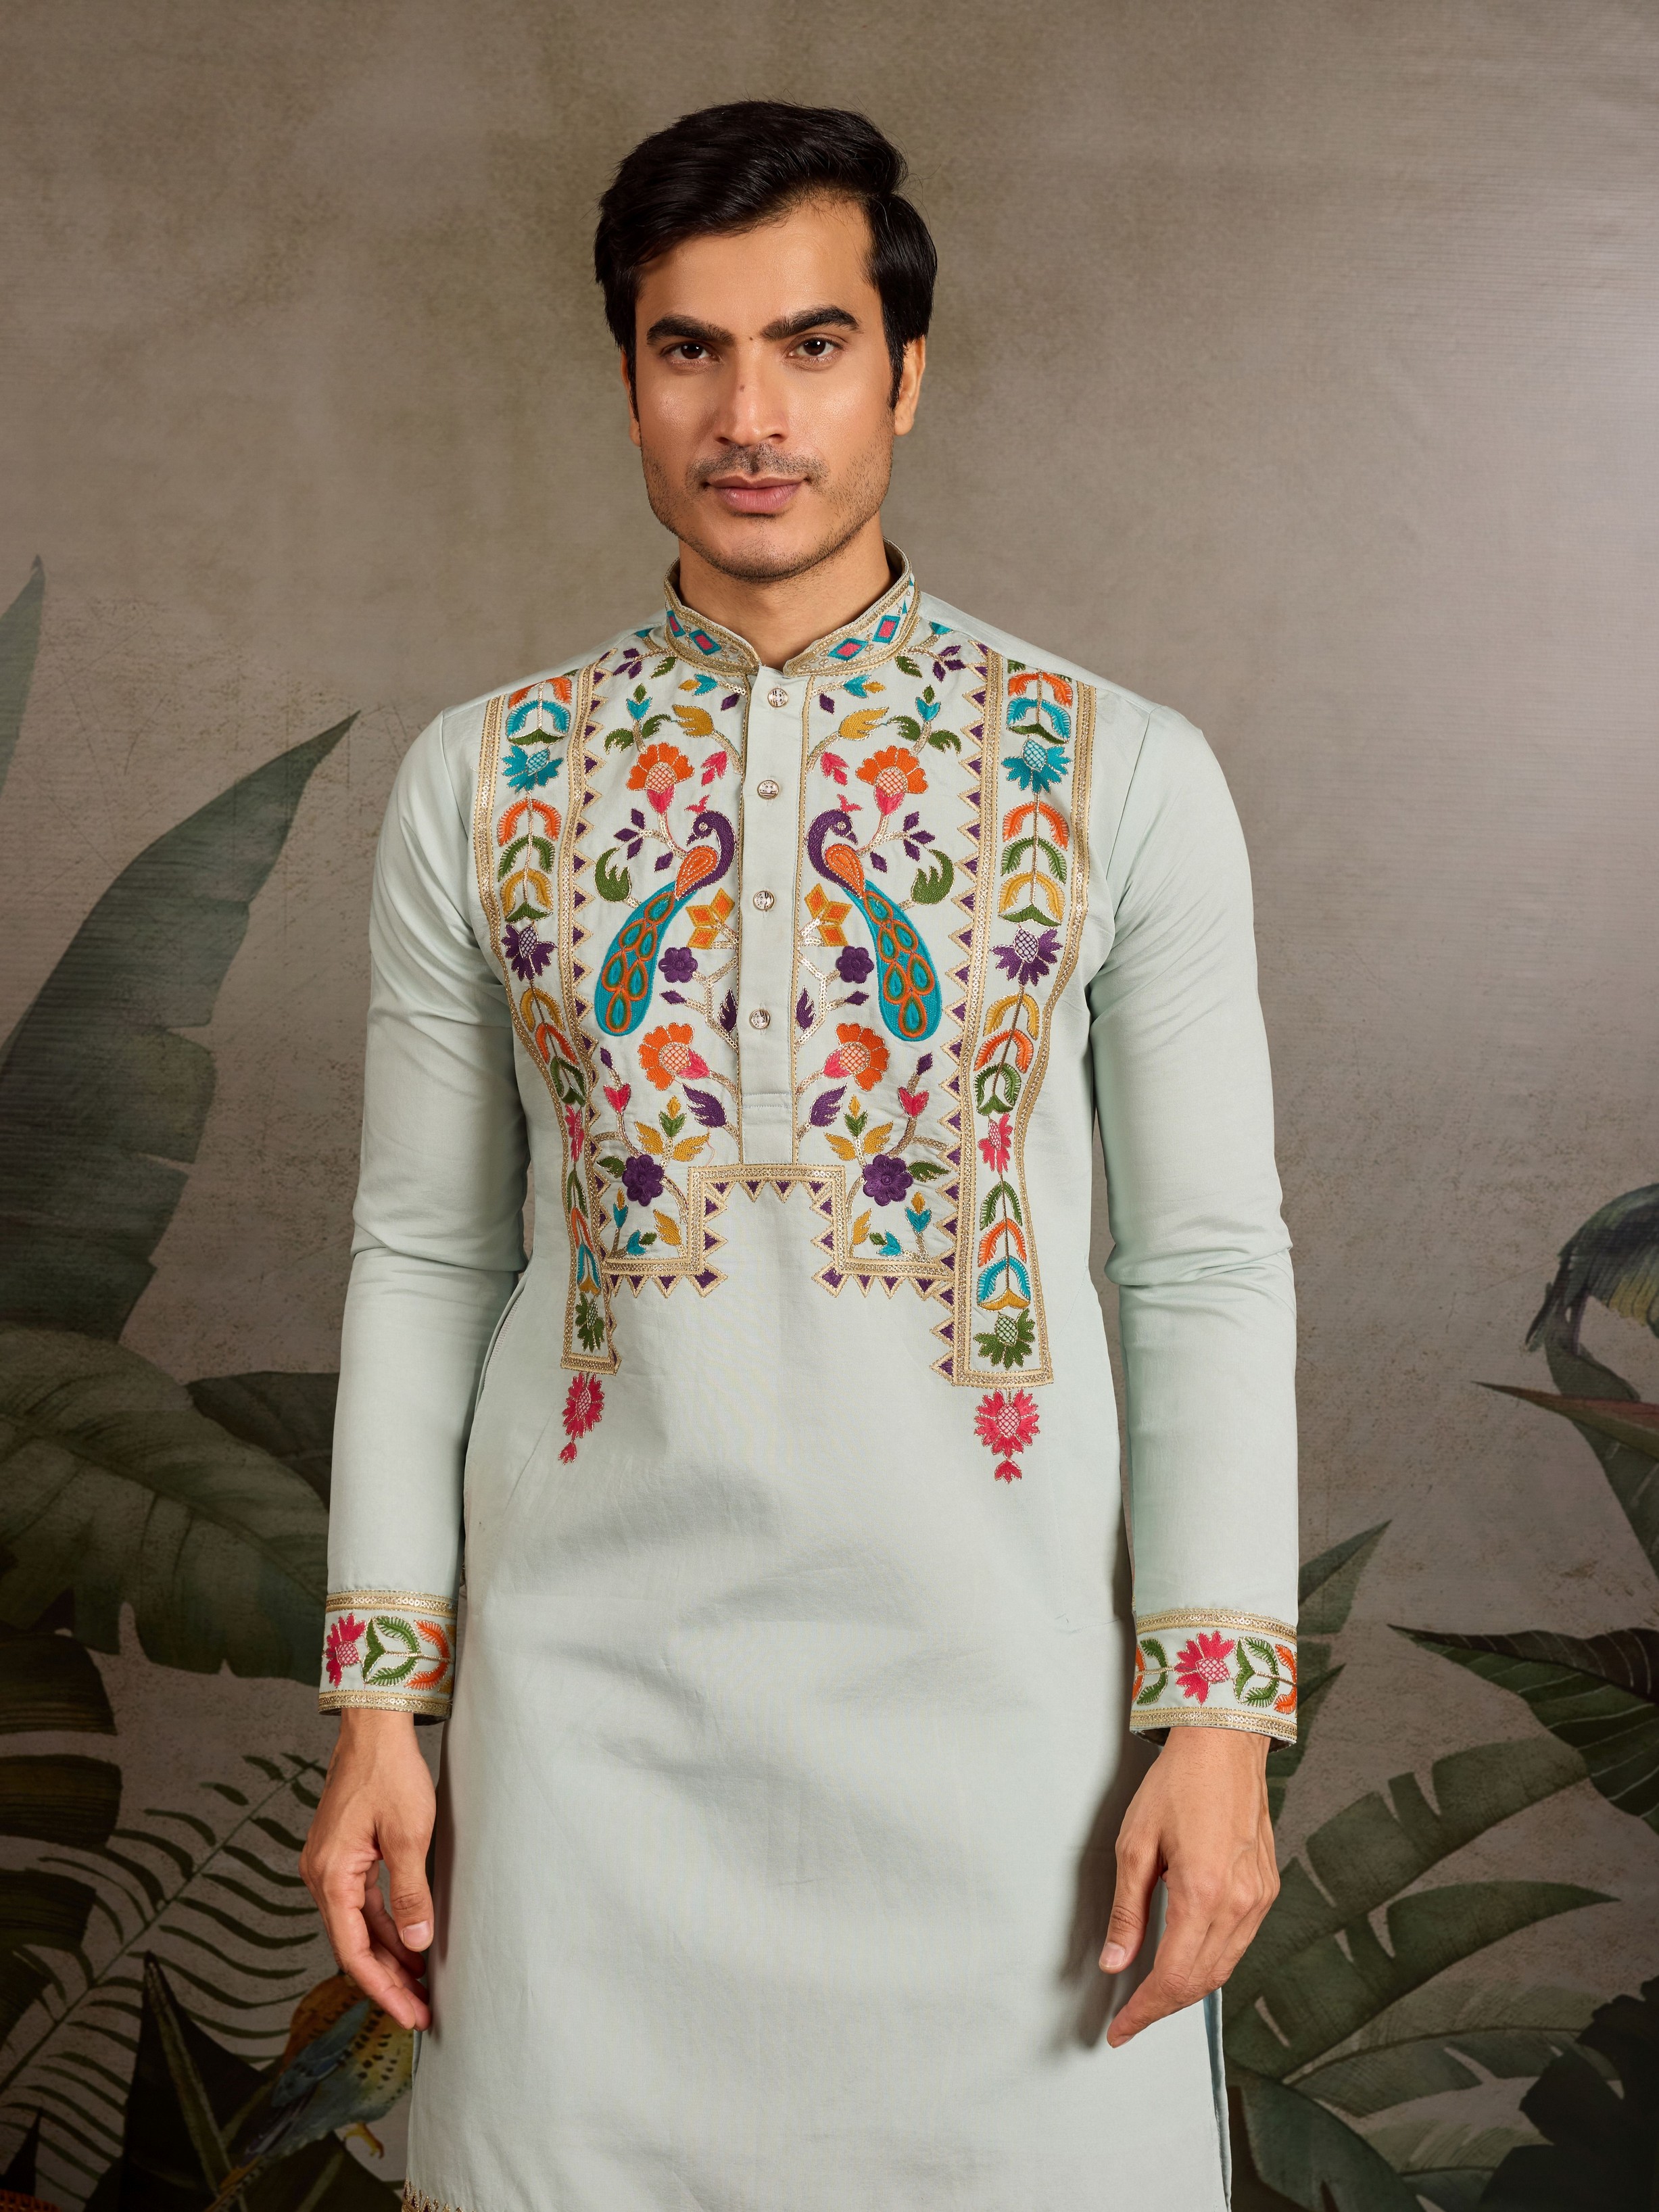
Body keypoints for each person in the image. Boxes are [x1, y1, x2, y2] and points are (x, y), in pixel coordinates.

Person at [299, 99, 1298, 2212]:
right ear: (627, 377)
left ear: (906, 374)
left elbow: (1204, 1262)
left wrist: (1216, 1725)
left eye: (813, 345)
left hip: (1010, 1738)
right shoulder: (483, 781)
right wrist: (384, 1708)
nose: (751, 416)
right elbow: (423, 1251)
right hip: (585, 1748)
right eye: (691, 349)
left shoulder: (1120, 772)